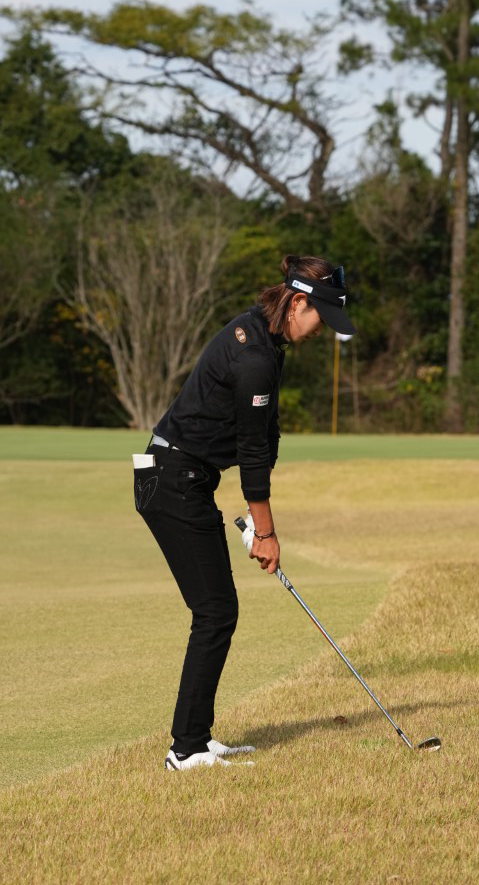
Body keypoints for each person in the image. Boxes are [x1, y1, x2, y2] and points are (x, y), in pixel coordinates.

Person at [133, 254, 357, 770]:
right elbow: (252, 453)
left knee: (217, 611)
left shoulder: (263, 335)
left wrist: (256, 520)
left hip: (181, 477)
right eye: (320, 316)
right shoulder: (255, 355)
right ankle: (186, 750)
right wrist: (267, 533)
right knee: (215, 612)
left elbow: (262, 434)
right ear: (297, 302)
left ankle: (197, 737)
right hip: (171, 480)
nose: (321, 329)